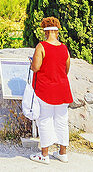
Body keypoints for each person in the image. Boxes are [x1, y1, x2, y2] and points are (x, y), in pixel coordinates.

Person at [29, 16, 72, 164]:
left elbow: (35, 67)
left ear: (45, 32)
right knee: (61, 121)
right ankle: (63, 153)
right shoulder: (64, 48)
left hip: (45, 90)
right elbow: (66, 69)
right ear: (57, 31)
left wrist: (31, 62)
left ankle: (44, 155)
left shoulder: (41, 46)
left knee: (45, 120)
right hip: (63, 90)